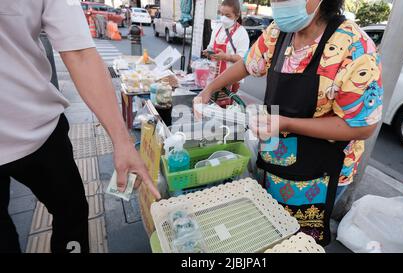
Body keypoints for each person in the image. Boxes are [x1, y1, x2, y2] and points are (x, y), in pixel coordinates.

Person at [194, 0, 383, 246]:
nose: (277, 4)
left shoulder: (356, 48)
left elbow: (363, 126)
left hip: (321, 172)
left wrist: (287, 124)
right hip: (275, 157)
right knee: (269, 230)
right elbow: (248, 63)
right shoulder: (278, 32)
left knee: (297, 243)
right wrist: (210, 88)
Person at [0, 0, 160, 253]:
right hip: (36, 126)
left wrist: (122, 141)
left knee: (68, 211)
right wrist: (122, 140)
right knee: (66, 212)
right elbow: (80, 54)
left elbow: (81, 54)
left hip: (38, 128)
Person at [202, 0, 250, 107]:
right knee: (211, 105)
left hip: (230, 80)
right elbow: (211, 47)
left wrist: (226, 57)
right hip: (213, 75)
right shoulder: (218, 28)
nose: (223, 18)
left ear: (236, 16)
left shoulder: (241, 33)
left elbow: (244, 60)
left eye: (227, 15)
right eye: (221, 14)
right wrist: (209, 52)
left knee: (223, 108)